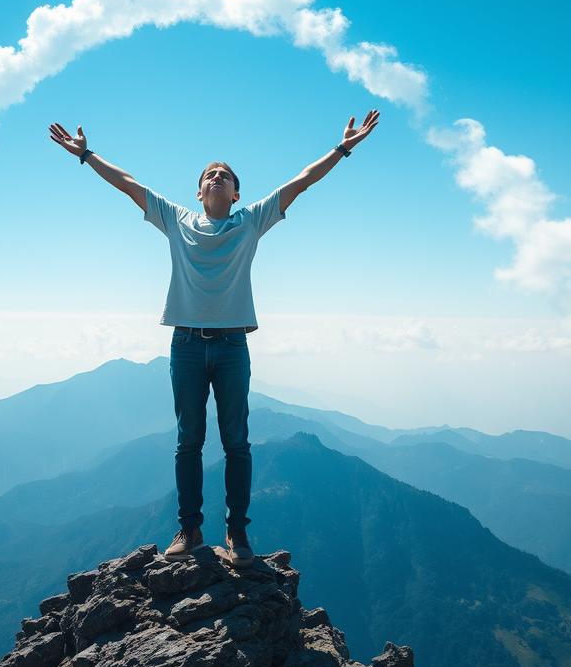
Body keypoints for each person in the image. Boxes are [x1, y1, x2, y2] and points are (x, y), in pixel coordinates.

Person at [47, 110, 380, 567]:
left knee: (236, 442)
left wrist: (343, 148)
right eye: (210, 175)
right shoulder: (176, 219)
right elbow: (127, 183)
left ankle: (237, 535)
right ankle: (190, 529)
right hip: (185, 345)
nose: (217, 177)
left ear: (236, 193)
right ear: (199, 191)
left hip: (230, 347)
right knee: (189, 441)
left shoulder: (250, 221)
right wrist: (85, 154)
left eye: (225, 175)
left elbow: (302, 181)